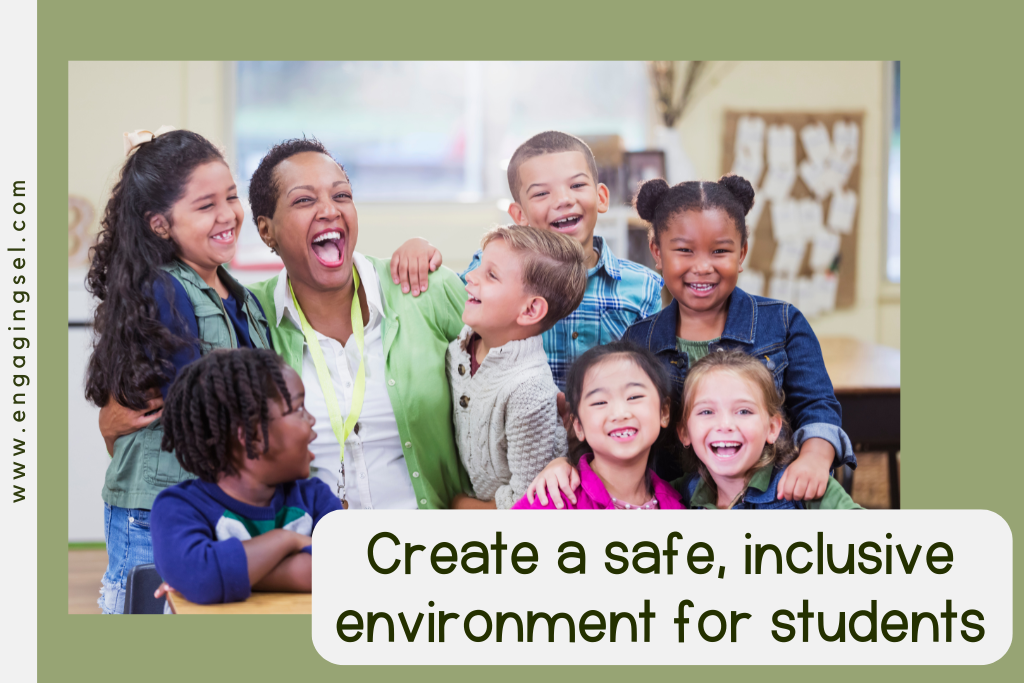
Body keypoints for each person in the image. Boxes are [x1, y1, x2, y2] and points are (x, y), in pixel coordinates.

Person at [527, 175, 855, 506]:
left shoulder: (782, 323)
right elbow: (612, 419)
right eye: (684, 250)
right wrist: (564, 464)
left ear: (741, 253)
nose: (701, 267)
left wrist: (815, 456)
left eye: (720, 251)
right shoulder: (640, 340)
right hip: (679, 504)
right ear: (657, 252)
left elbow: (817, 405)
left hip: (772, 497)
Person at [85, 127, 274, 614]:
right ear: (160, 224)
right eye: (205, 204)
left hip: (208, 507)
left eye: (231, 197)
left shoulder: (246, 300)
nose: (228, 214)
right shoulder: (164, 290)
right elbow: (199, 410)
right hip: (156, 514)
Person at [245, 137, 472, 509]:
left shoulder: (425, 289)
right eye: (304, 200)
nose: (329, 210)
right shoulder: (248, 314)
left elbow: (505, 364)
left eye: (341, 196)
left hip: (429, 553)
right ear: (266, 230)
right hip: (316, 556)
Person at [461, 131, 664, 391]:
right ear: (519, 215)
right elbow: (444, 310)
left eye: (577, 185)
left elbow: (653, 377)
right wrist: (420, 252)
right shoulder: (488, 272)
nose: (563, 200)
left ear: (601, 198)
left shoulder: (643, 286)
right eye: (541, 194)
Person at [151, 349, 342, 604]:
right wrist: (286, 540)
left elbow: (341, 570)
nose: (312, 420)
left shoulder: (316, 499)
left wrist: (220, 575)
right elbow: (201, 578)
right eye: (298, 409)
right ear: (252, 435)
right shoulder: (177, 507)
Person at [447, 225, 587, 509]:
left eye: (491, 275)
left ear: (530, 310)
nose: (470, 277)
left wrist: (462, 507)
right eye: (478, 267)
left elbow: (530, 505)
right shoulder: (464, 341)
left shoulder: (529, 392)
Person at [676, 349, 861, 510]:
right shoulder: (677, 494)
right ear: (684, 432)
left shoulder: (804, 482)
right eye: (707, 411)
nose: (725, 425)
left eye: (743, 411)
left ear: (772, 428)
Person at [513, 341, 683, 510]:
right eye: (600, 402)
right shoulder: (555, 500)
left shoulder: (677, 505)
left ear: (664, 412)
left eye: (634, 397)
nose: (620, 413)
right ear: (578, 426)